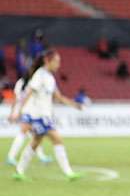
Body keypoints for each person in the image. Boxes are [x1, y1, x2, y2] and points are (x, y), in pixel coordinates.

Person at [9, 49, 83, 181]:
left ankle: (19, 171)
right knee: (57, 139)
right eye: (56, 61)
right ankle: (69, 172)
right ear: (48, 61)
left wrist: (74, 105)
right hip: (39, 116)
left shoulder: (50, 78)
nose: (58, 65)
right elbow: (29, 92)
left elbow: (58, 97)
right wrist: (19, 111)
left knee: (35, 142)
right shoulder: (40, 75)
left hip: (44, 116)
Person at [6, 69, 53, 166]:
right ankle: (11, 157)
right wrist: (14, 112)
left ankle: (41, 156)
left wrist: (13, 112)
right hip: (26, 111)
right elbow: (18, 98)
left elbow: (16, 98)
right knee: (25, 133)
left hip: (26, 111)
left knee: (34, 134)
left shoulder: (21, 82)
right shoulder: (31, 83)